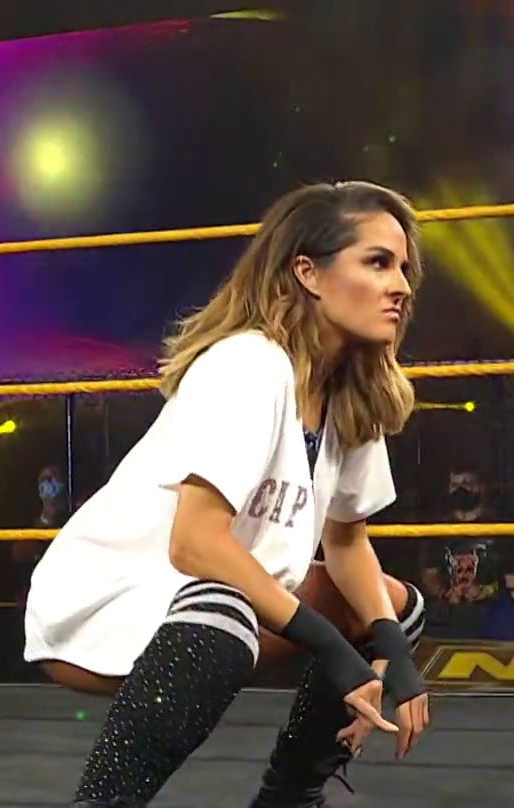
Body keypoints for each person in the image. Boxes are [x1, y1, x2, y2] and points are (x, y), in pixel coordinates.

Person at [24, 182, 433, 808]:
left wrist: (394, 652)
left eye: (403, 268)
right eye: (377, 262)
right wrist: (331, 646)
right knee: (225, 603)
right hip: (112, 601)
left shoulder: (349, 389)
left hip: (223, 602)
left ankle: (290, 800)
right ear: (308, 273)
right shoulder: (249, 363)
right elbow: (194, 545)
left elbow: (348, 543)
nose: (400, 285)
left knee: (394, 607)